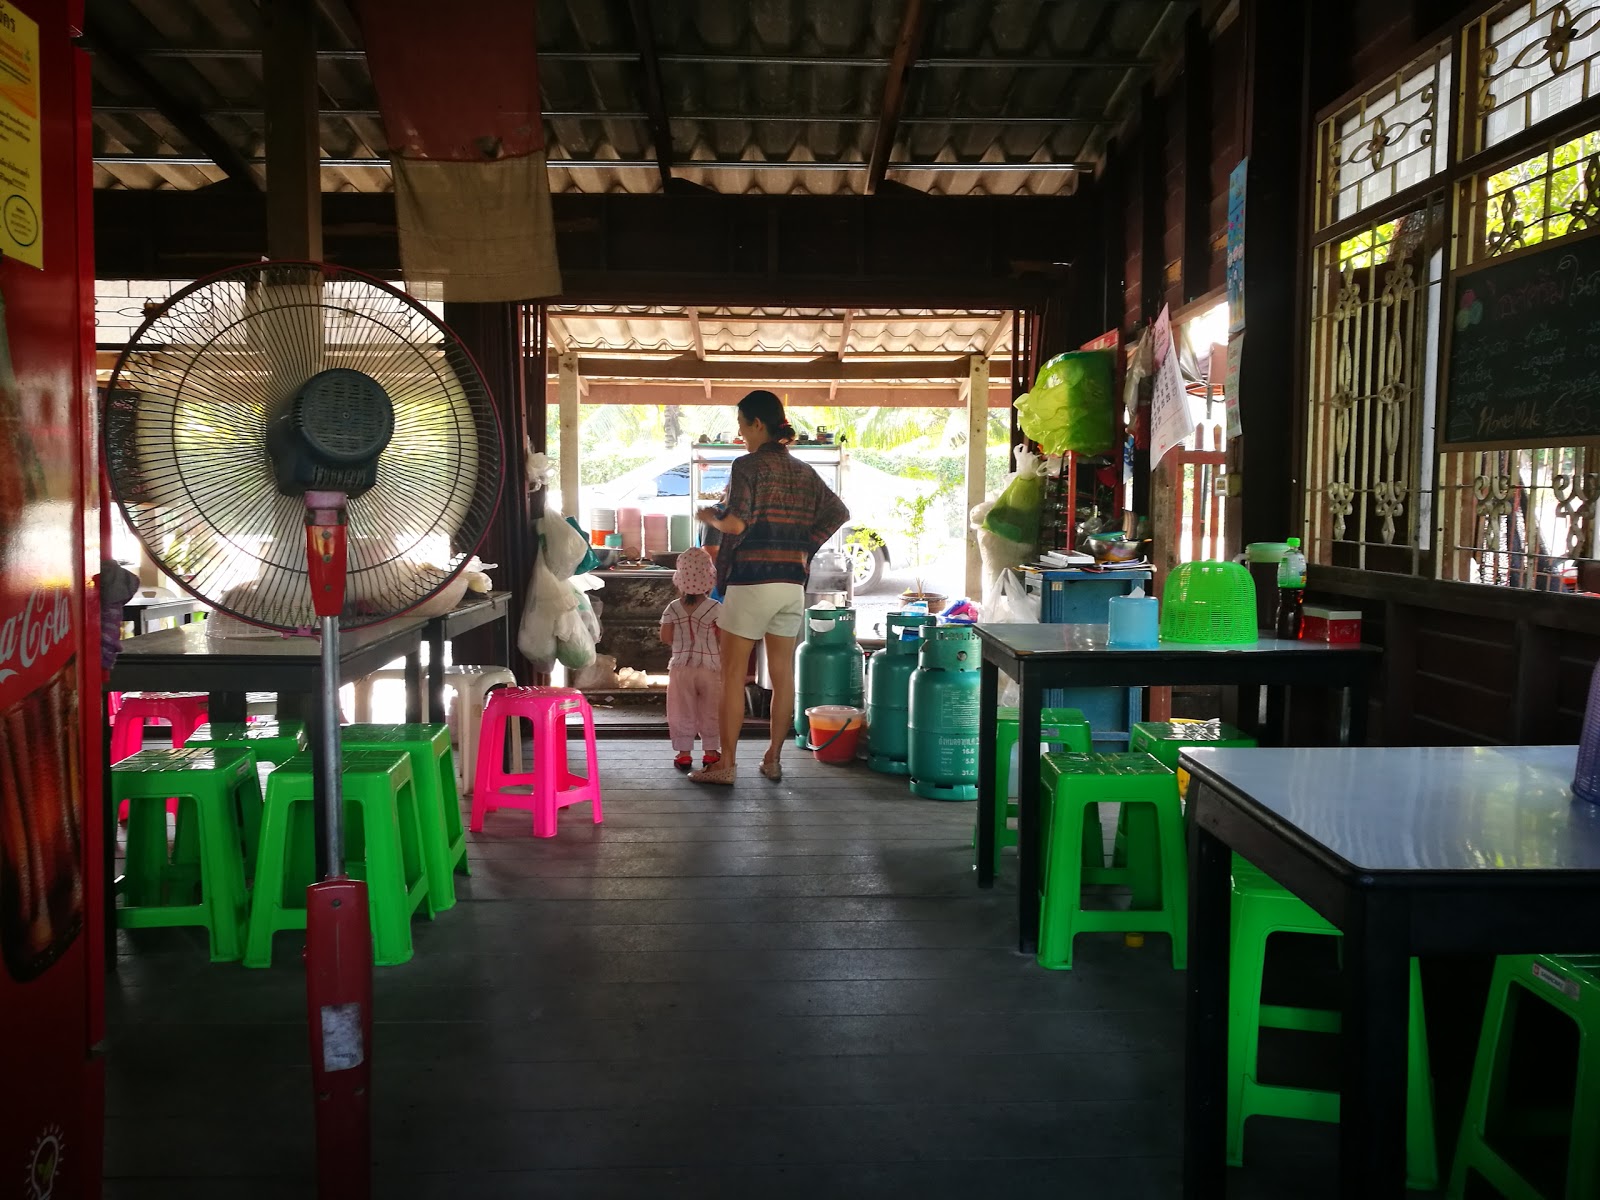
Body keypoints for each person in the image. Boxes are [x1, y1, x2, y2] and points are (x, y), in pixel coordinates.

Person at [690, 390, 848, 785]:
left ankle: (725, 764)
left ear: (758, 424)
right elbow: (838, 512)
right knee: (782, 676)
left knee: (730, 676)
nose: (740, 432)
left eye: (742, 423)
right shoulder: (804, 471)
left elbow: (737, 524)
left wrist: (708, 515)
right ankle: (773, 758)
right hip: (791, 583)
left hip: (752, 580)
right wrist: (803, 546)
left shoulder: (747, 466)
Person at [660, 547, 723, 772]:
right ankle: (711, 752)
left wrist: (682, 643)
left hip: (681, 667)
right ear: (709, 580)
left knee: (680, 709)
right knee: (711, 709)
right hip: (710, 667)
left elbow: (665, 637)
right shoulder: (715, 608)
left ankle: (684, 754)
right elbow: (722, 639)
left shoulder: (673, 608)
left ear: (680, 581)